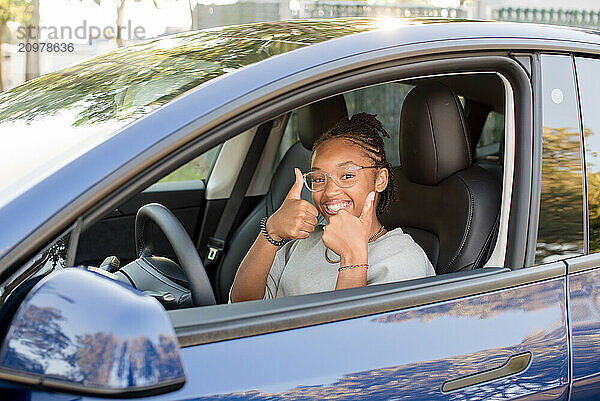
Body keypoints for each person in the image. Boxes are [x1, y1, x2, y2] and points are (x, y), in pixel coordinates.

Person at [230, 113, 435, 302]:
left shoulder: (402, 259)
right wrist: (272, 231)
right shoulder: (305, 242)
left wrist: (353, 258)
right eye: (319, 179)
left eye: (347, 176)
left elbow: (351, 339)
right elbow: (243, 306)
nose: (329, 192)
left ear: (380, 179)